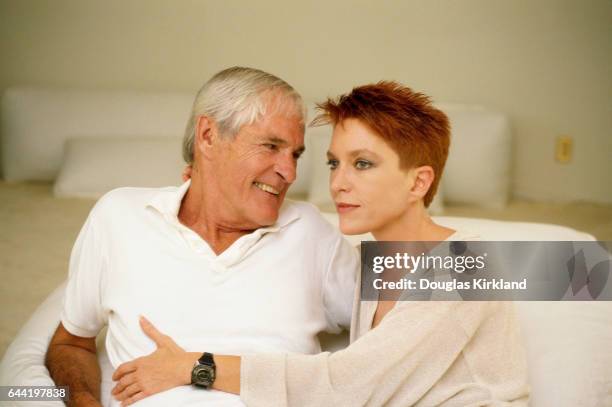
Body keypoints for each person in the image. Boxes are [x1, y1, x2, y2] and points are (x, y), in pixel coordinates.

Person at [112, 81, 530, 406]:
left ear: (418, 181)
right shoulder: (377, 264)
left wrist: (195, 367)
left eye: (362, 164)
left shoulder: (469, 265)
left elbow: (346, 387)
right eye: (334, 163)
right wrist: (213, 187)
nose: (338, 183)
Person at [44, 67, 359, 406]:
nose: (290, 172)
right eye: (271, 146)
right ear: (208, 136)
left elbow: (406, 322)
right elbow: (71, 343)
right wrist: (83, 402)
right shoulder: (119, 216)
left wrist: (400, 205)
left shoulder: (310, 231)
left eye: (295, 154)